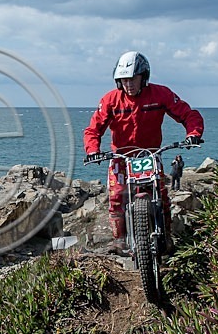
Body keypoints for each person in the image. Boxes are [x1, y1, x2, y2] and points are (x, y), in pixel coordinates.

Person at [84, 51, 204, 255]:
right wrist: (93, 150)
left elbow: (187, 113)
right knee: (116, 197)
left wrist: (193, 133)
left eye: (133, 79)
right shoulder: (110, 100)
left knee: (162, 197)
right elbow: (93, 129)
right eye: (124, 80)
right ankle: (119, 241)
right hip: (121, 159)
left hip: (150, 156)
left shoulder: (161, 94)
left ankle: (165, 237)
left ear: (144, 77)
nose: (129, 84)